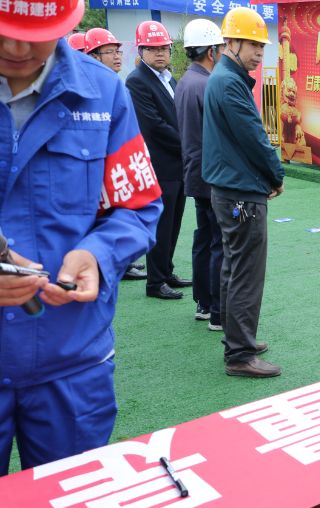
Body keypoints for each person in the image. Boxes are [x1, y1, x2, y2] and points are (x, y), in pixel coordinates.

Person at [0, 1, 163, 475]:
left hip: (72, 358)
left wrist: (99, 252)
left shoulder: (103, 93)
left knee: (72, 507)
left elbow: (137, 206)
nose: (17, 48)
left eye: (37, 33)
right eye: (4, 31)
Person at [203, 7, 284, 378]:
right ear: (231, 43)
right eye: (253, 45)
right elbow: (254, 137)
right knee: (246, 273)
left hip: (230, 188)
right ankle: (239, 354)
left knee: (234, 269)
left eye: (261, 46)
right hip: (239, 191)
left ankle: (237, 339)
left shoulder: (223, 77)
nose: (259, 53)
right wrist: (276, 174)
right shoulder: (229, 83)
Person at [126, 20, 191, 300]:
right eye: (153, 49)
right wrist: (188, 143)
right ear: (141, 51)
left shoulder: (168, 78)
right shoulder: (137, 80)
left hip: (178, 164)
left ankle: (166, 271)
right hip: (159, 165)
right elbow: (153, 126)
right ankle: (155, 282)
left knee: (174, 222)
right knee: (161, 225)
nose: (160, 53)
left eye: (164, 48)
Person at [83, 27, 148, 281]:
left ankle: (119, 261)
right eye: (110, 52)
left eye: (118, 51)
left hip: (120, 166)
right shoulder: (86, 89)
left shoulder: (116, 86)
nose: (117, 56)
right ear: (94, 56)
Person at [175, 19, 225, 330]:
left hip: (194, 172)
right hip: (212, 174)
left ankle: (204, 304)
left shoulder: (185, 81)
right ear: (210, 51)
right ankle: (218, 310)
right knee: (219, 242)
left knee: (204, 239)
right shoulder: (206, 84)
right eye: (219, 48)